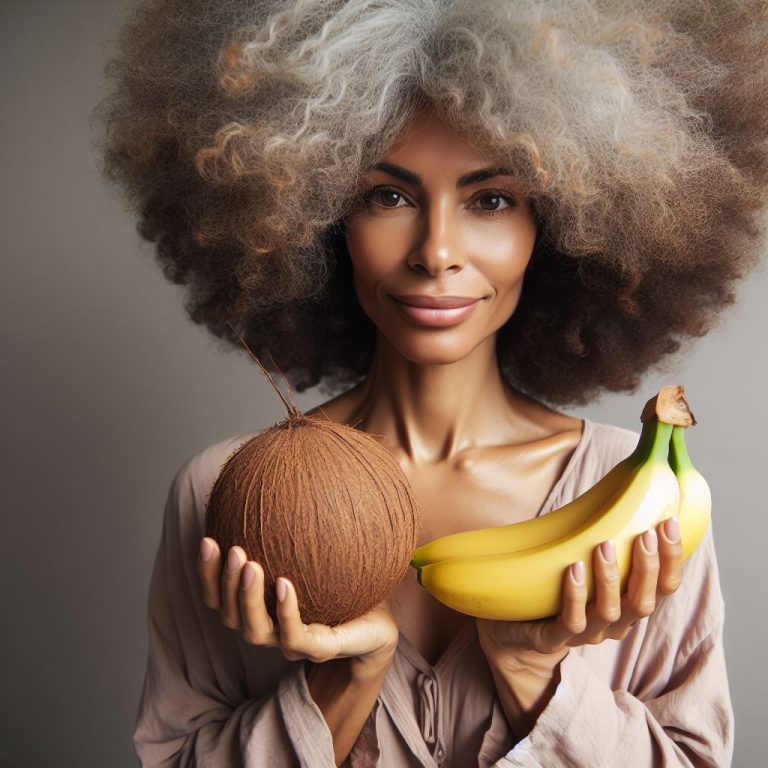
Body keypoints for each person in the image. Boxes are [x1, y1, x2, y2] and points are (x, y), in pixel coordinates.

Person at [95, 0, 768, 765]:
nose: (436, 250)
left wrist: (533, 674)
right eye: (388, 196)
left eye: (490, 199)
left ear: (558, 227)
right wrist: (341, 686)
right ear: (312, 219)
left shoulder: (641, 499)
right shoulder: (224, 493)